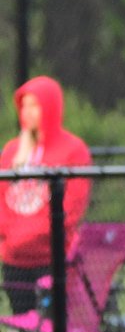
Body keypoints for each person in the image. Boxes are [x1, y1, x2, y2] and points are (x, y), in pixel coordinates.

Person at [0, 76, 92, 314]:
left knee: (54, 329)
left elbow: (72, 206)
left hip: (53, 259)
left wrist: (31, 233)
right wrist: (11, 237)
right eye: (25, 106)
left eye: (35, 105)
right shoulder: (12, 151)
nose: (28, 112)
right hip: (14, 259)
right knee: (23, 329)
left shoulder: (73, 149)